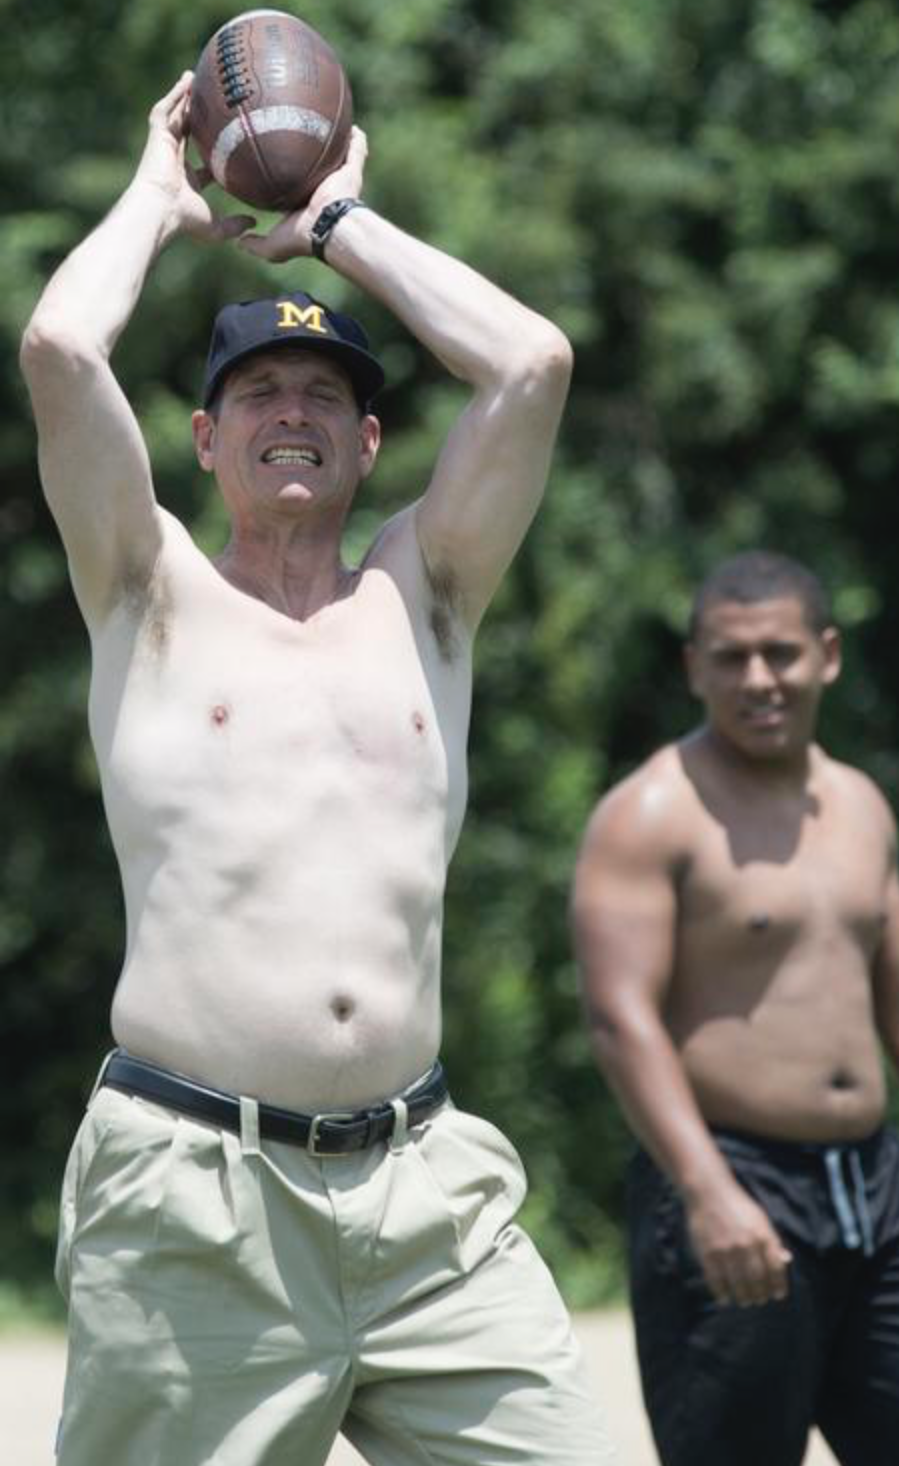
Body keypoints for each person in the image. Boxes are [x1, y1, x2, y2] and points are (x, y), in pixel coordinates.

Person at [21, 73, 614, 1466]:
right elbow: (59, 347)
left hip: (426, 1196)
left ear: (368, 441)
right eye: (259, 390)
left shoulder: (427, 594)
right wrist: (157, 199)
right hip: (193, 1196)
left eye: (326, 394)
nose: (292, 409)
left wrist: (340, 223)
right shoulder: (146, 589)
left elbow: (531, 364)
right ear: (204, 438)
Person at [571, 549, 899, 1466]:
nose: (759, 679)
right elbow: (620, 1021)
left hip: (881, 1190)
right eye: (731, 657)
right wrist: (708, 1192)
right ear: (694, 667)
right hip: (734, 1185)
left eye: (781, 653)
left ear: (827, 655)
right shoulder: (650, 815)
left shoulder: (859, 805)